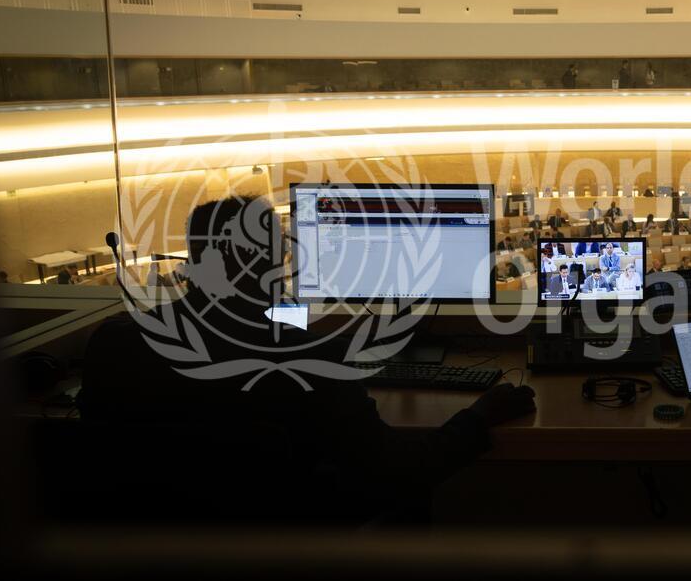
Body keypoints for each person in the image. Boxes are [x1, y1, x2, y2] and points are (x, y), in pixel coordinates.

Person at [80, 195, 536, 525]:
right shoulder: (310, 360)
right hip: (294, 545)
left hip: (149, 544)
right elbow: (397, 470)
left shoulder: (115, 344)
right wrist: (479, 416)